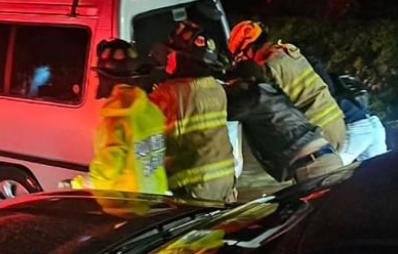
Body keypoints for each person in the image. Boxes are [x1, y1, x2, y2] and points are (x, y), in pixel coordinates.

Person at [148, 21, 236, 203]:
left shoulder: (167, 93)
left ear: (183, 58)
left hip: (193, 187)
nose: (167, 58)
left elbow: (147, 140)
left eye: (171, 53)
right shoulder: (216, 87)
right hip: (226, 180)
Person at [228, 20, 347, 151]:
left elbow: (263, 107)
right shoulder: (288, 51)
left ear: (250, 47)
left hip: (317, 131)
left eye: (243, 55)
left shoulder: (268, 67)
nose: (246, 60)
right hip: (336, 121)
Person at [68, 39, 168, 195]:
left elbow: (105, 174)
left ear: (106, 79)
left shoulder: (116, 120)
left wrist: (76, 184)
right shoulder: (150, 111)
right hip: (157, 199)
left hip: (129, 204)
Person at [224, 55, 343, 185]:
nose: (231, 86)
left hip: (315, 164)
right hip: (319, 159)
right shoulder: (268, 93)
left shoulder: (253, 101)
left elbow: (221, 108)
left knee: (318, 202)